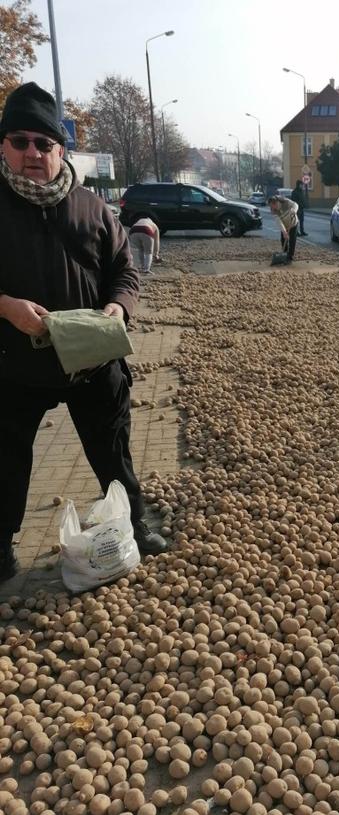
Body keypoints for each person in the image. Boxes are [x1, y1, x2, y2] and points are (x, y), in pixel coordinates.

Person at [0, 82, 167, 583]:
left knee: (113, 449)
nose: (33, 152)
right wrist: (6, 307)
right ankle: (2, 548)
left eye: (44, 143)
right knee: (6, 462)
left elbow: (125, 271)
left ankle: (133, 527)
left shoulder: (92, 207)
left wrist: (119, 306)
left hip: (94, 362)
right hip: (14, 364)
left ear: (60, 149)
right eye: (20, 140)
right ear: (4, 146)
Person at [268, 194, 298, 261]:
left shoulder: (286, 202)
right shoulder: (274, 211)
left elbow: (296, 205)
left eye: (273, 206)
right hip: (285, 225)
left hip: (293, 223)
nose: (273, 208)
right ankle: (284, 254)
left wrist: (294, 210)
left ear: (276, 203)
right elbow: (279, 222)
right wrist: (284, 232)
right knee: (283, 239)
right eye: (271, 207)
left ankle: (290, 257)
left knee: (292, 240)